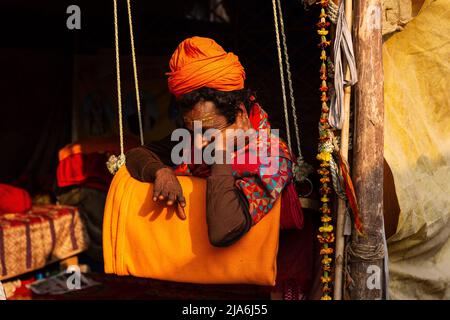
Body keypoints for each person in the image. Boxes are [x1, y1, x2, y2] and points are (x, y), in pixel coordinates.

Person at [126, 36, 301, 247]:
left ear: (240, 115)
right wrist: (161, 172)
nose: (198, 144)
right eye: (194, 131)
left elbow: (222, 231)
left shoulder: (272, 157)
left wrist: (221, 150)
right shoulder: (195, 138)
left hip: (266, 275)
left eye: (208, 132)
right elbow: (137, 155)